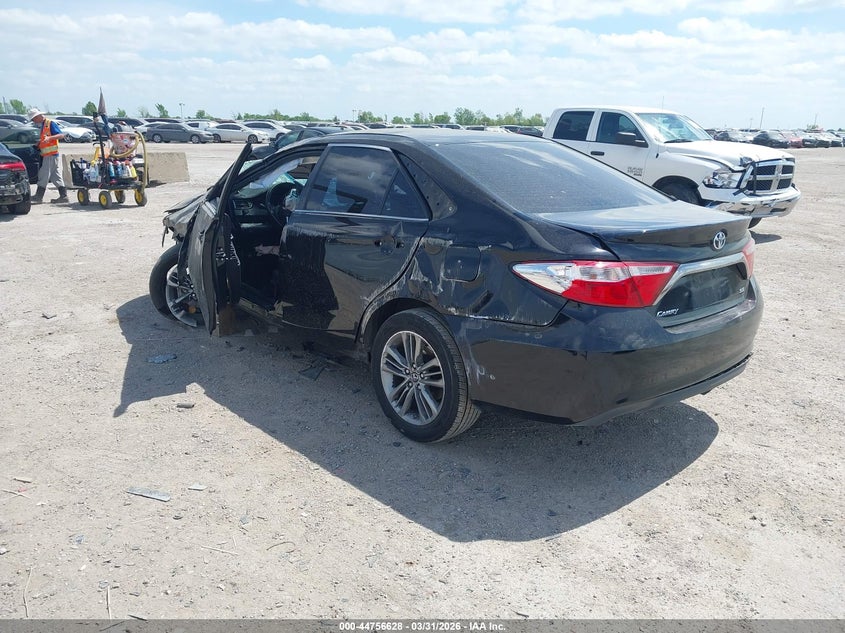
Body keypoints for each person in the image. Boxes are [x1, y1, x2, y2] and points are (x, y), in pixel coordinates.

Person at [27, 107, 68, 203]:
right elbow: (45, 139)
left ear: (38, 116)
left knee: (43, 175)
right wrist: (39, 144)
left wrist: (49, 138)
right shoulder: (43, 125)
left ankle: (38, 196)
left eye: (33, 118)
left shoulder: (50, 123)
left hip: (50, 155)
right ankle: (64, 196)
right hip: (50, 155)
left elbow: (61, 135)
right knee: (55, 176)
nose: (33, 121)